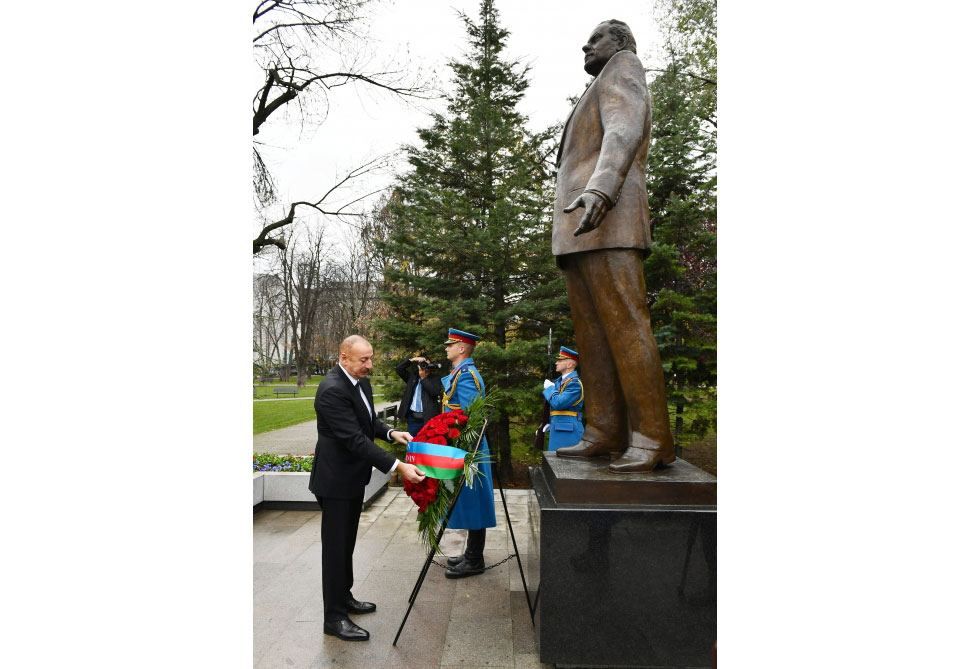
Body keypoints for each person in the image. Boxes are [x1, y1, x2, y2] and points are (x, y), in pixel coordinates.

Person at [551, 19, 675, 472]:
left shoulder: (624, 66)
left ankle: (651, 438)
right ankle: (603, 430)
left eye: (597, 37)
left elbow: (623, 130)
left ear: (620, 44)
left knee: (625, 327)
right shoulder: (598, 83)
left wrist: (602, 188)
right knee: (594, 338)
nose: (587, 43)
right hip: (579, 229)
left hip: (609, 217)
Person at [308, 334, 427, 641]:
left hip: (351, 478)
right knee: (335, 549)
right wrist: (397, 466)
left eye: (371, 358)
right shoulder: (331, 390)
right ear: (344, 357)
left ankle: (343, 597)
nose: (369, 365)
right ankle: (333, 618)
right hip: (335, 481)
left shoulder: (359, 382)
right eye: (363, 360)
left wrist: (390, 432)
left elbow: (368, 422)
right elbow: (354, 439)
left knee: (346, 543)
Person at [440, 328, 496, 578]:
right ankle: (473, 554)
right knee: (471, 501)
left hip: (469, 449)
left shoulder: (466, 376)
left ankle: (475, 559)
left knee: (475, 503)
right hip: (462, 446)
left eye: (450, 344)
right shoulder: (459, 374)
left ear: (462, 348)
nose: (446, 347)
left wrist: (462, 452)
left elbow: (472, 419)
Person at [542, 346, 584, 451]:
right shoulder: (558, 382)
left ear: (570, 364)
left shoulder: (574, 383)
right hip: (557, 427)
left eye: (560, 360)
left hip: (569, 430)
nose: (556, 363)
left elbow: (559, 403)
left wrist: (550, 388)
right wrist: (549, 422)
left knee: (567, 464)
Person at [395, 355, 443, 435]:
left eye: (426, 364)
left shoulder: (436, 378)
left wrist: (423, 378)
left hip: (428, 419)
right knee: (413, 442)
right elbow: (399, 369)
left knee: (427, 444)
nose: (424, 367)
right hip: (413, 419)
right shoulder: (412, 377)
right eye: (422, 364)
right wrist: (412, 360)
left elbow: (434, 392)